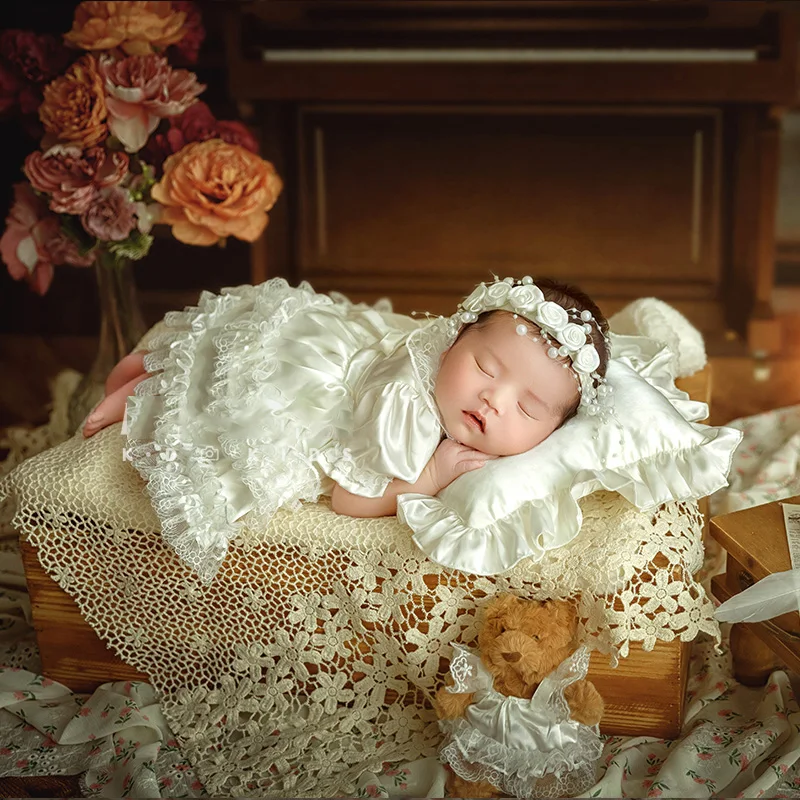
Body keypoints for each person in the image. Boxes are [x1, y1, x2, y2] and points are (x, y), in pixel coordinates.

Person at [82, 276, 610, 582]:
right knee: (198, 401)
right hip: (295, 382)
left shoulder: (465, 381)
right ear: (452, 341)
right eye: (486, 369)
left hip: (338, 345)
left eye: (529, 409)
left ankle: (146, 367)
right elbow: (350, 499)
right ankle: (132, 389)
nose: (494, 400)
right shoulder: (404, 409)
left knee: (199, 357)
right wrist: (428, 475)